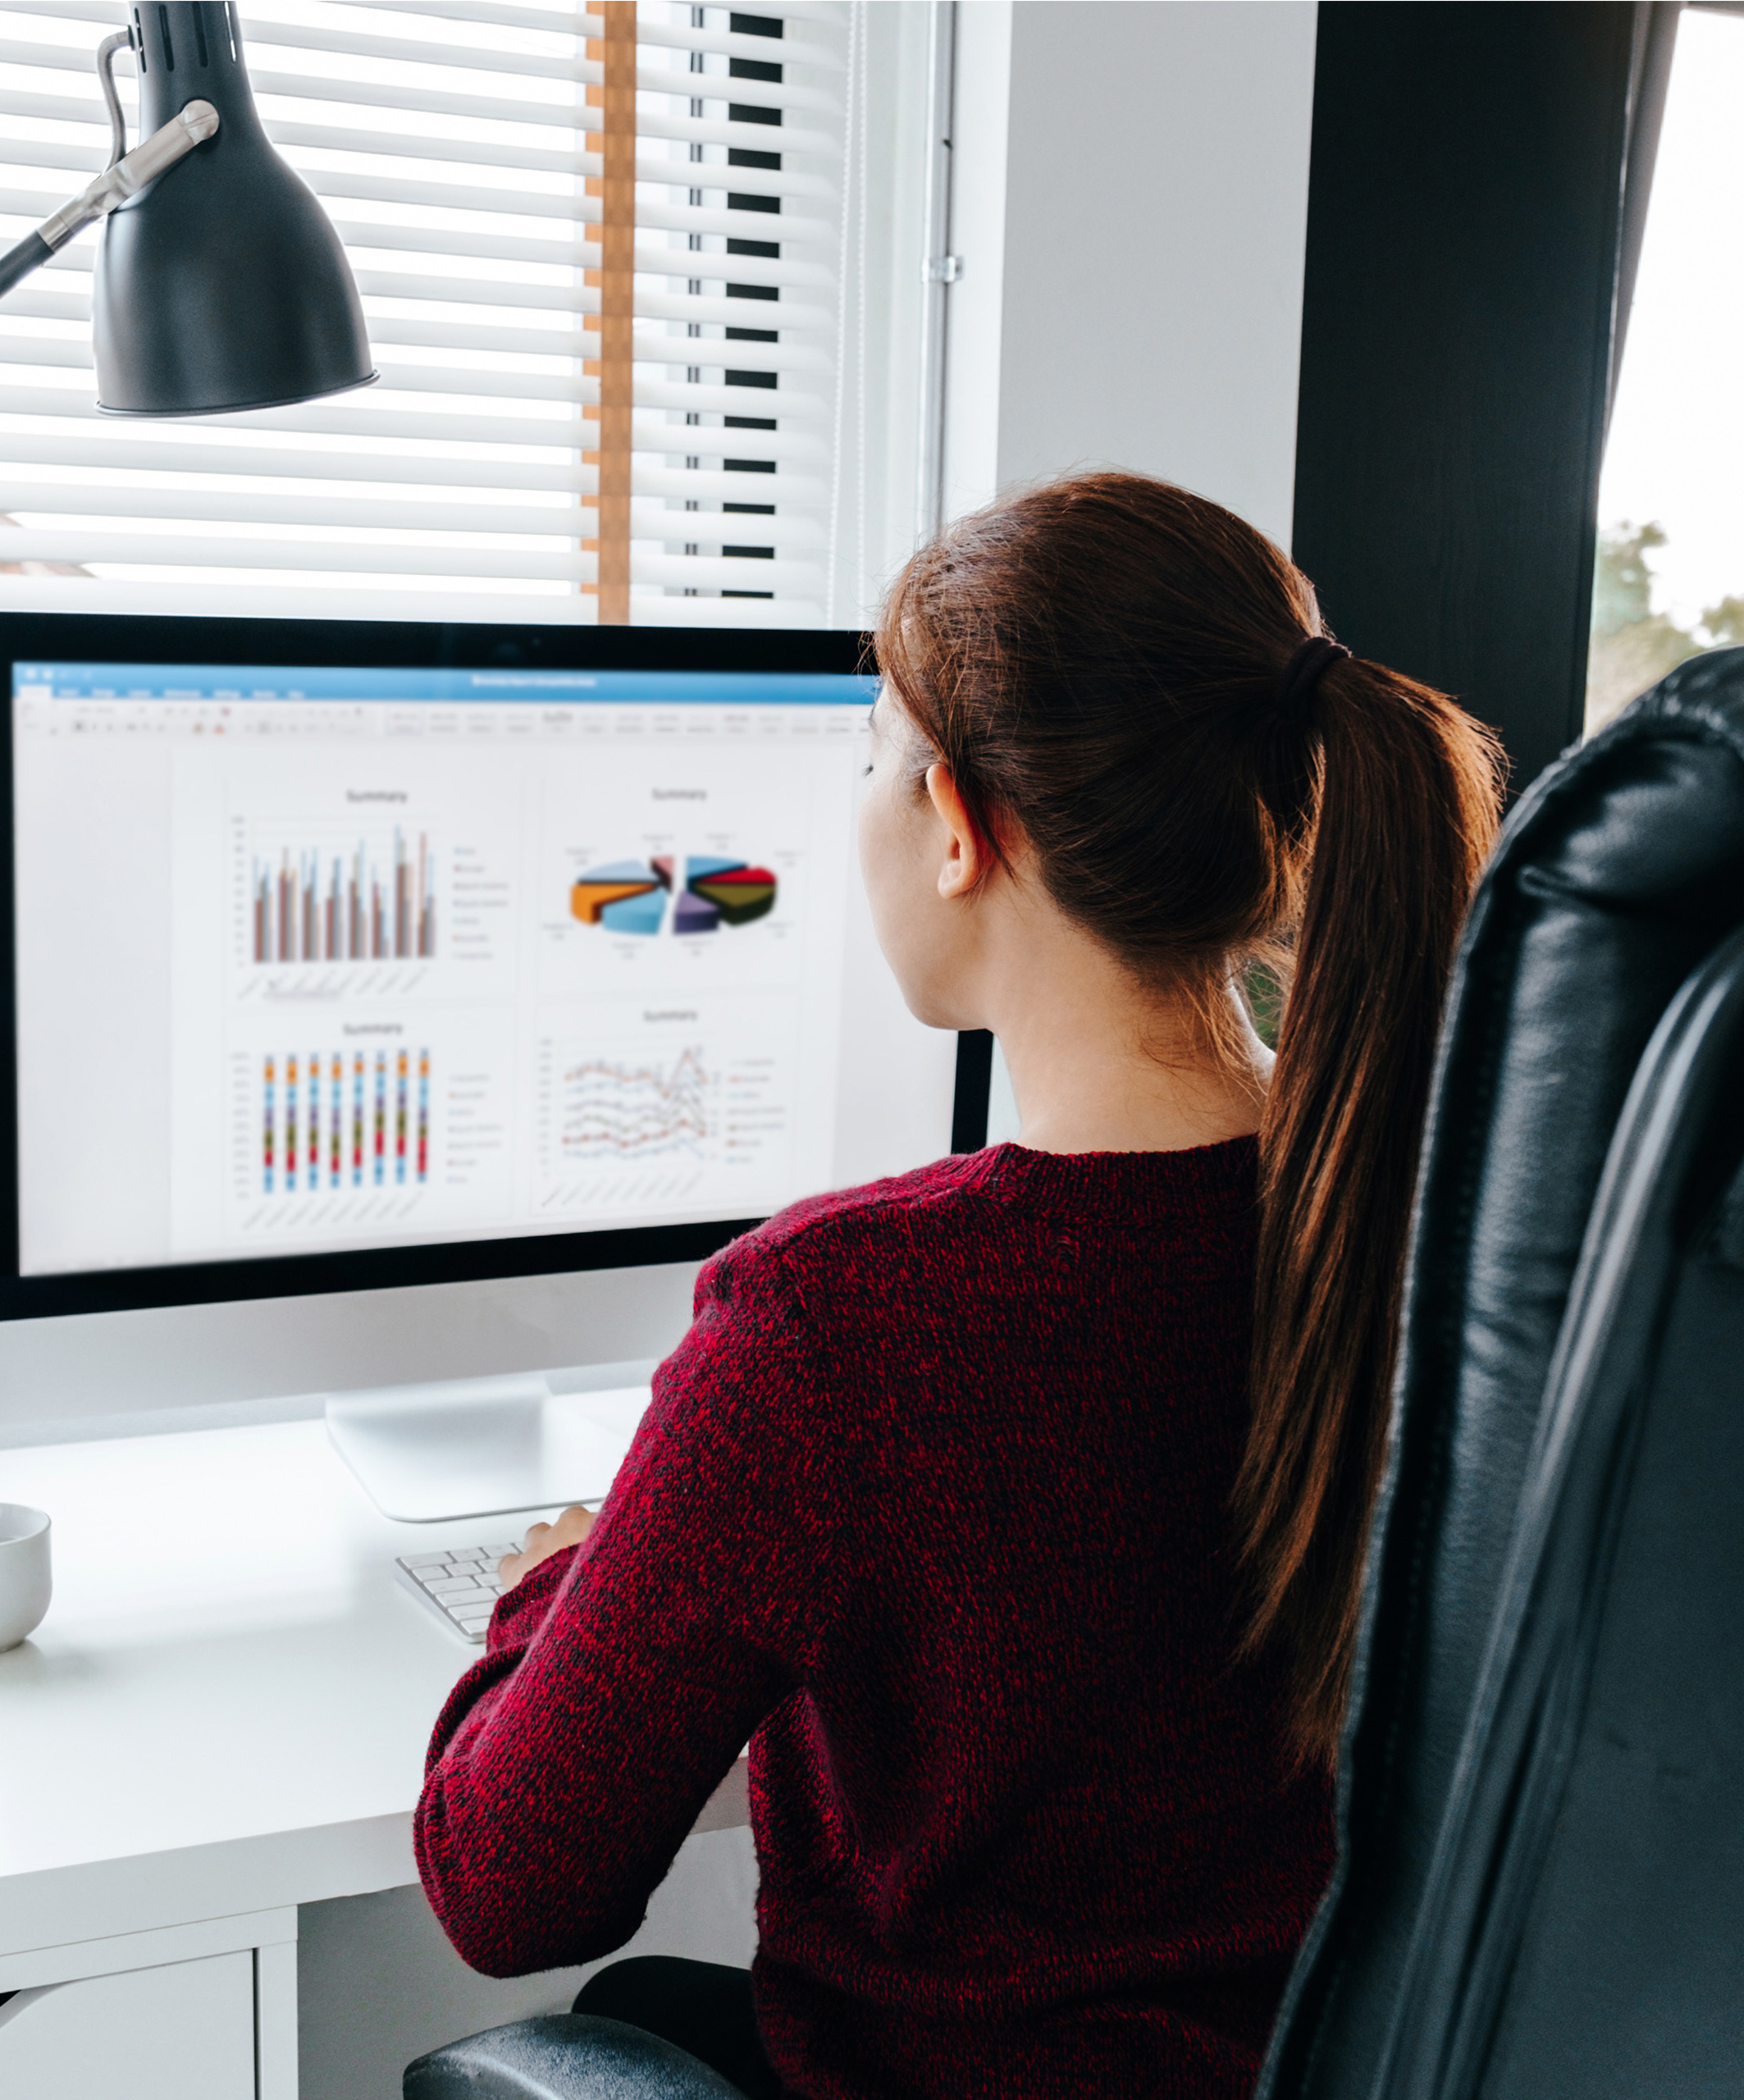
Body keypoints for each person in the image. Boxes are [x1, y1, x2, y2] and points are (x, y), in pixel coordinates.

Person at [413, 472, 1506, 2098]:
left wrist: (554, 1589)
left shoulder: (837, 1325)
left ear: (956, 827)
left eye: (870, 752)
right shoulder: (1448, 1226)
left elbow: (512, 1882)